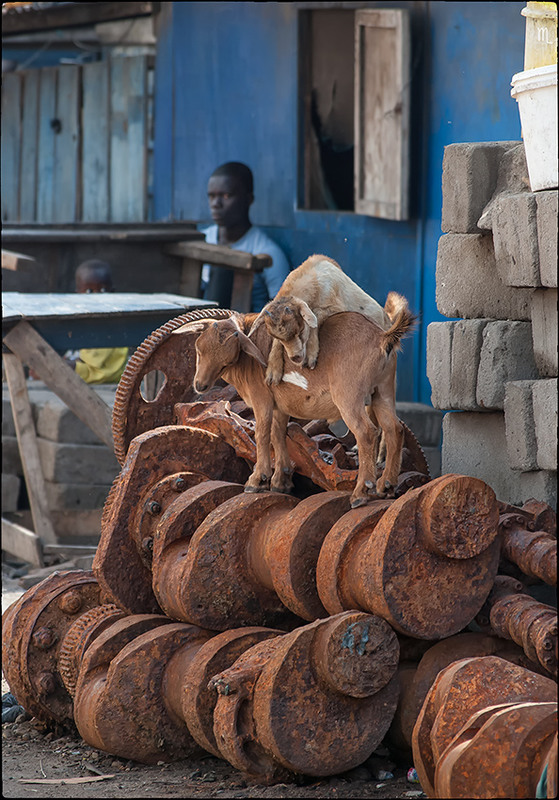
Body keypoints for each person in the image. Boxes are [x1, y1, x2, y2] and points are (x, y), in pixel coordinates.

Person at [201, 161, 291, 312]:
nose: (216, 204)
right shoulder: (202, 239)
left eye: (226, 195)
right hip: (198, 327)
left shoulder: (268, 253)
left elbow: (284, 313)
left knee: (223, 270)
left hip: (245, 330)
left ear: (249, 199)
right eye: (211, 196)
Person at [64, 260, 129, 384]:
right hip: (102, 371)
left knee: (55, 366)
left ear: (112, 292)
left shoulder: (110, 320)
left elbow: (96, 363)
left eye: (103, 290)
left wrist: (73, 362)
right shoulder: (86, 317)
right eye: (89, 291)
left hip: (105, 374)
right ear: (78, 294)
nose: (96, 296)